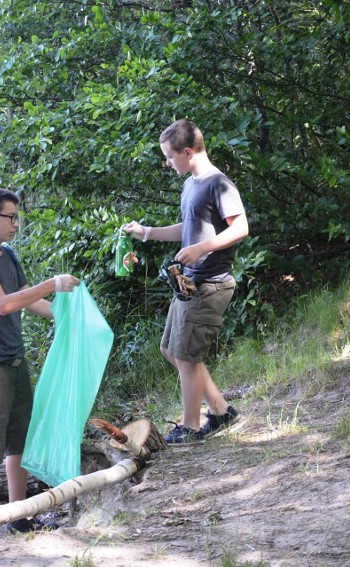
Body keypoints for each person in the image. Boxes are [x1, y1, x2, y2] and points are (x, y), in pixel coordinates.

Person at [0, 187, 80, 532]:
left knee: (19, 444)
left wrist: (66, 316)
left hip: (15, 363)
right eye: (11, 217)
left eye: (17, 216)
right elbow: (2, 303)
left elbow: (28, 301)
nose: (17, 223)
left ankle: (20, 517)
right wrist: (52, 283)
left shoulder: (8, 255)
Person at [123, 119, 249, 444]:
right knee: (171, 350)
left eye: (169, 156)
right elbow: (189, 226)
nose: (167, 163)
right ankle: (221, 411)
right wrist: (147, 233)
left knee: (186, 357)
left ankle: (191, 426)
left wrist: (201, 248)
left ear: (188, 151)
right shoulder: (191, 184)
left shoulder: (218, 184)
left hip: (211, 284)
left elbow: (240, 228)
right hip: (188, 285)